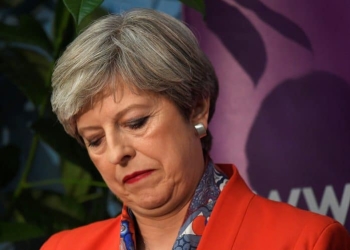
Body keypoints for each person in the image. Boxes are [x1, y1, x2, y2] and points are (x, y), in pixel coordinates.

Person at [41, 8, 350, 250]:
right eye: (95, 140)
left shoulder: (306, 242)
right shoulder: (62, 248)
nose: (117, 153)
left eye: (136, 123)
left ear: (196, 108)